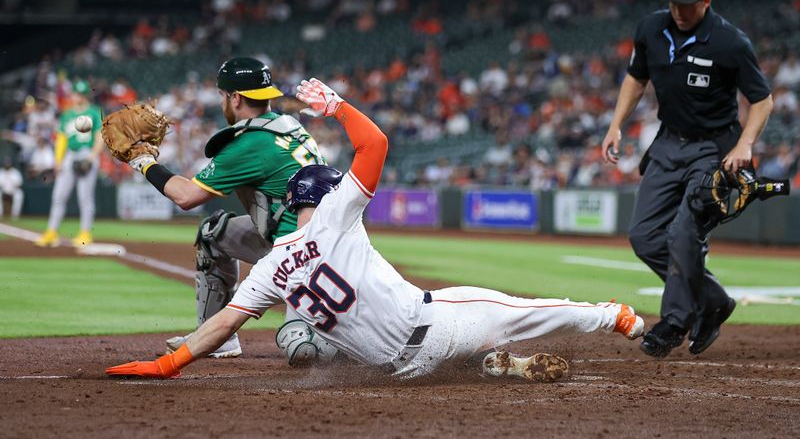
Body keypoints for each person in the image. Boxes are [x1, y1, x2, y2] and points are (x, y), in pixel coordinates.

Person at [106, 78, 645, 382]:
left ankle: (497, 365)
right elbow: (376, 145)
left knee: (459, 330)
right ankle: (615, 317)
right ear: (325, 197)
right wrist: (337, 106)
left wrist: (165, 364)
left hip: (397, 369)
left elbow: (220, 326)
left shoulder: (269, 268)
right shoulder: (337, 223)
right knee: (527, 310)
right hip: (438, 329)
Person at [601, 0, 773, 358]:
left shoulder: (730, 42)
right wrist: (615, 125)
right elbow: (635, 78)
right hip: (668, 144)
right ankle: (714, 301)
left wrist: (745, 144)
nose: (679, 11)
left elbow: (763, 101)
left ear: (706, 2)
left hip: (713, 150)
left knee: (682, 234)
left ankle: (675, 322)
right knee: (643, 236)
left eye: (688, 5)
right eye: (674, 4)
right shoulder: (650, 29)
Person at [121, 57, 330, 360]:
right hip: (314, 240)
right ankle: (216, 337)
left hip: (303, 258)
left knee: (304, 351)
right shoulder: (289, 126)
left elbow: (186, 197)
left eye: (222, 96)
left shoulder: (250, 144)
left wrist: (142, 163)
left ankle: (343, 332)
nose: (221, 103)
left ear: (235, 98)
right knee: (213, 234)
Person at [35, 80, 103, 247]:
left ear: (85, 95)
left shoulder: (95, 112)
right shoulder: (67, 114)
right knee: (58, 196)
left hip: (87, 154)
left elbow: (100, 136)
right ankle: (51, 232)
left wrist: (92, 157)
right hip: (70, 156)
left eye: (79, 94)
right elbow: (61, 139)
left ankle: (85, 234)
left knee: (85, 198)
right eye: (75, 93)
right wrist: (58, 161)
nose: (76, 96)